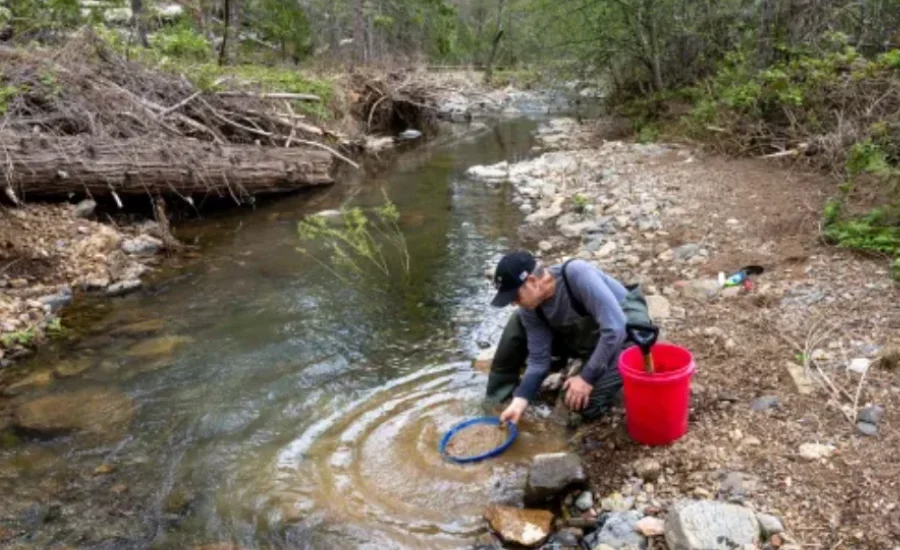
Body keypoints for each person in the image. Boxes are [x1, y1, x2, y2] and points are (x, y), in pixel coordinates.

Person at [484, 250, 654, 425]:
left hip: (628, 334)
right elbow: (538, 361)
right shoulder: (530, 308)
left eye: (515, 297)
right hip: (590, 336)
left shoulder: (577, 274)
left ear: (533, 282)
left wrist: (587, 378)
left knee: (584, 406)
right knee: (518, 319)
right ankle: (500, 396)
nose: (514, 303)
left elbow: (615, 329)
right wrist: (519, 402)